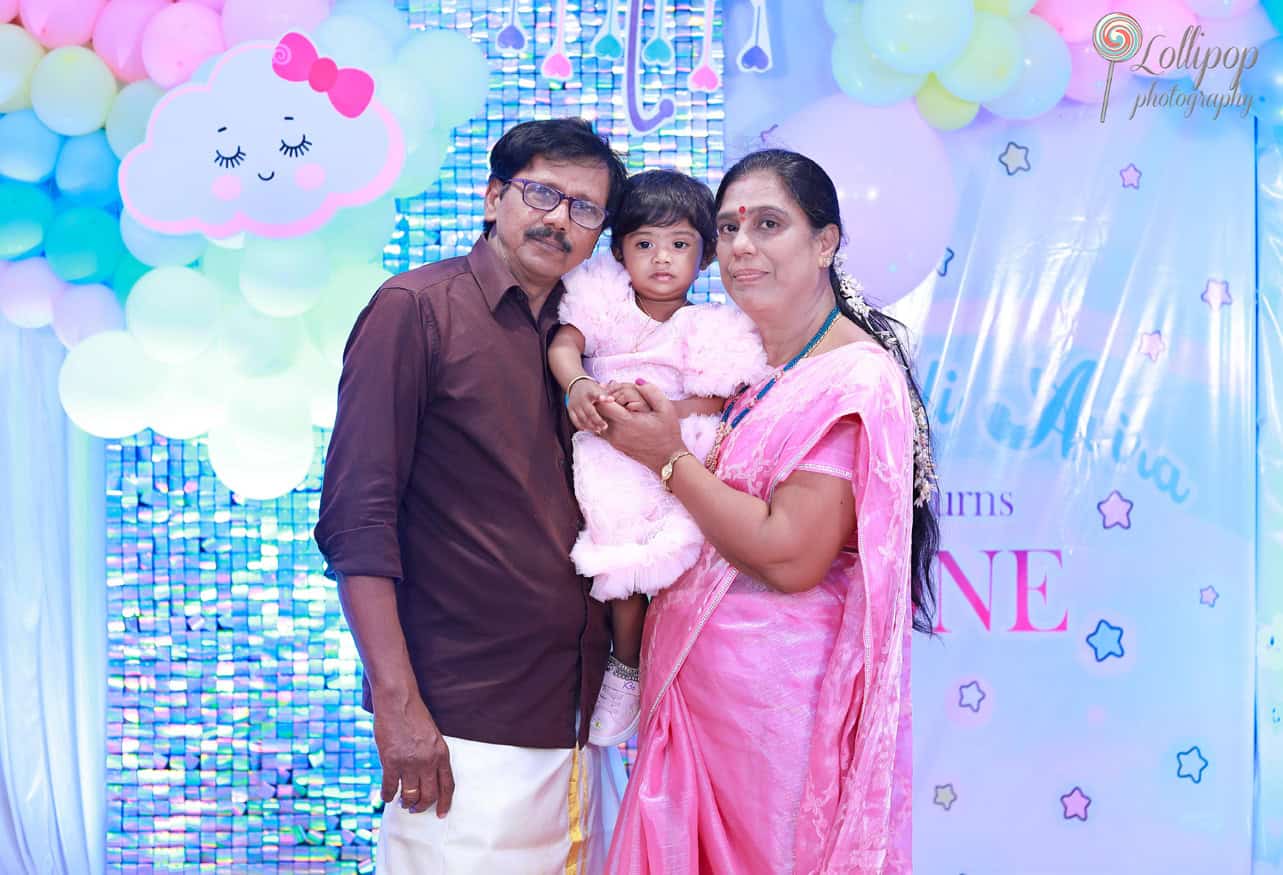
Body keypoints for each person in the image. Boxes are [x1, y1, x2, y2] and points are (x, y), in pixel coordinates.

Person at [595, 149, 941, 874]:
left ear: (825, 243)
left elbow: (791, 555)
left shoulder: (851, 375)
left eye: (768, 223)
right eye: (727, 228)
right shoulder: (750, 365)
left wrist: (667, 457)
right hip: (696, 702)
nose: (741, 245)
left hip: (773, 724)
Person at [313, 117, 628, 875]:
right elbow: (357, 520)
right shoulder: (415, 309)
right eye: (542, 193)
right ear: (494, 197)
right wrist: (398, 705)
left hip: (579, 725)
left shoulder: (590, 337)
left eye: (585, 209)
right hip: (461, 727)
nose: (559, 219)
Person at [547, 170, 768, 747]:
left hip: (677, 448)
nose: (662, 259)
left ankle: (669, 678)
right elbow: (564, 345)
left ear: (705, 256)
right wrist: (579, 388)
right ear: (619, 250)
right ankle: (625, 666)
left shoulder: (712, 325)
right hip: (606, 449)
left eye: (680, 245)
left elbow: (721, 394)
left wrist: (659, 407)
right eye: (645, 244)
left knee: (678, 563)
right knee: (620, 556)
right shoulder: (604, 304)